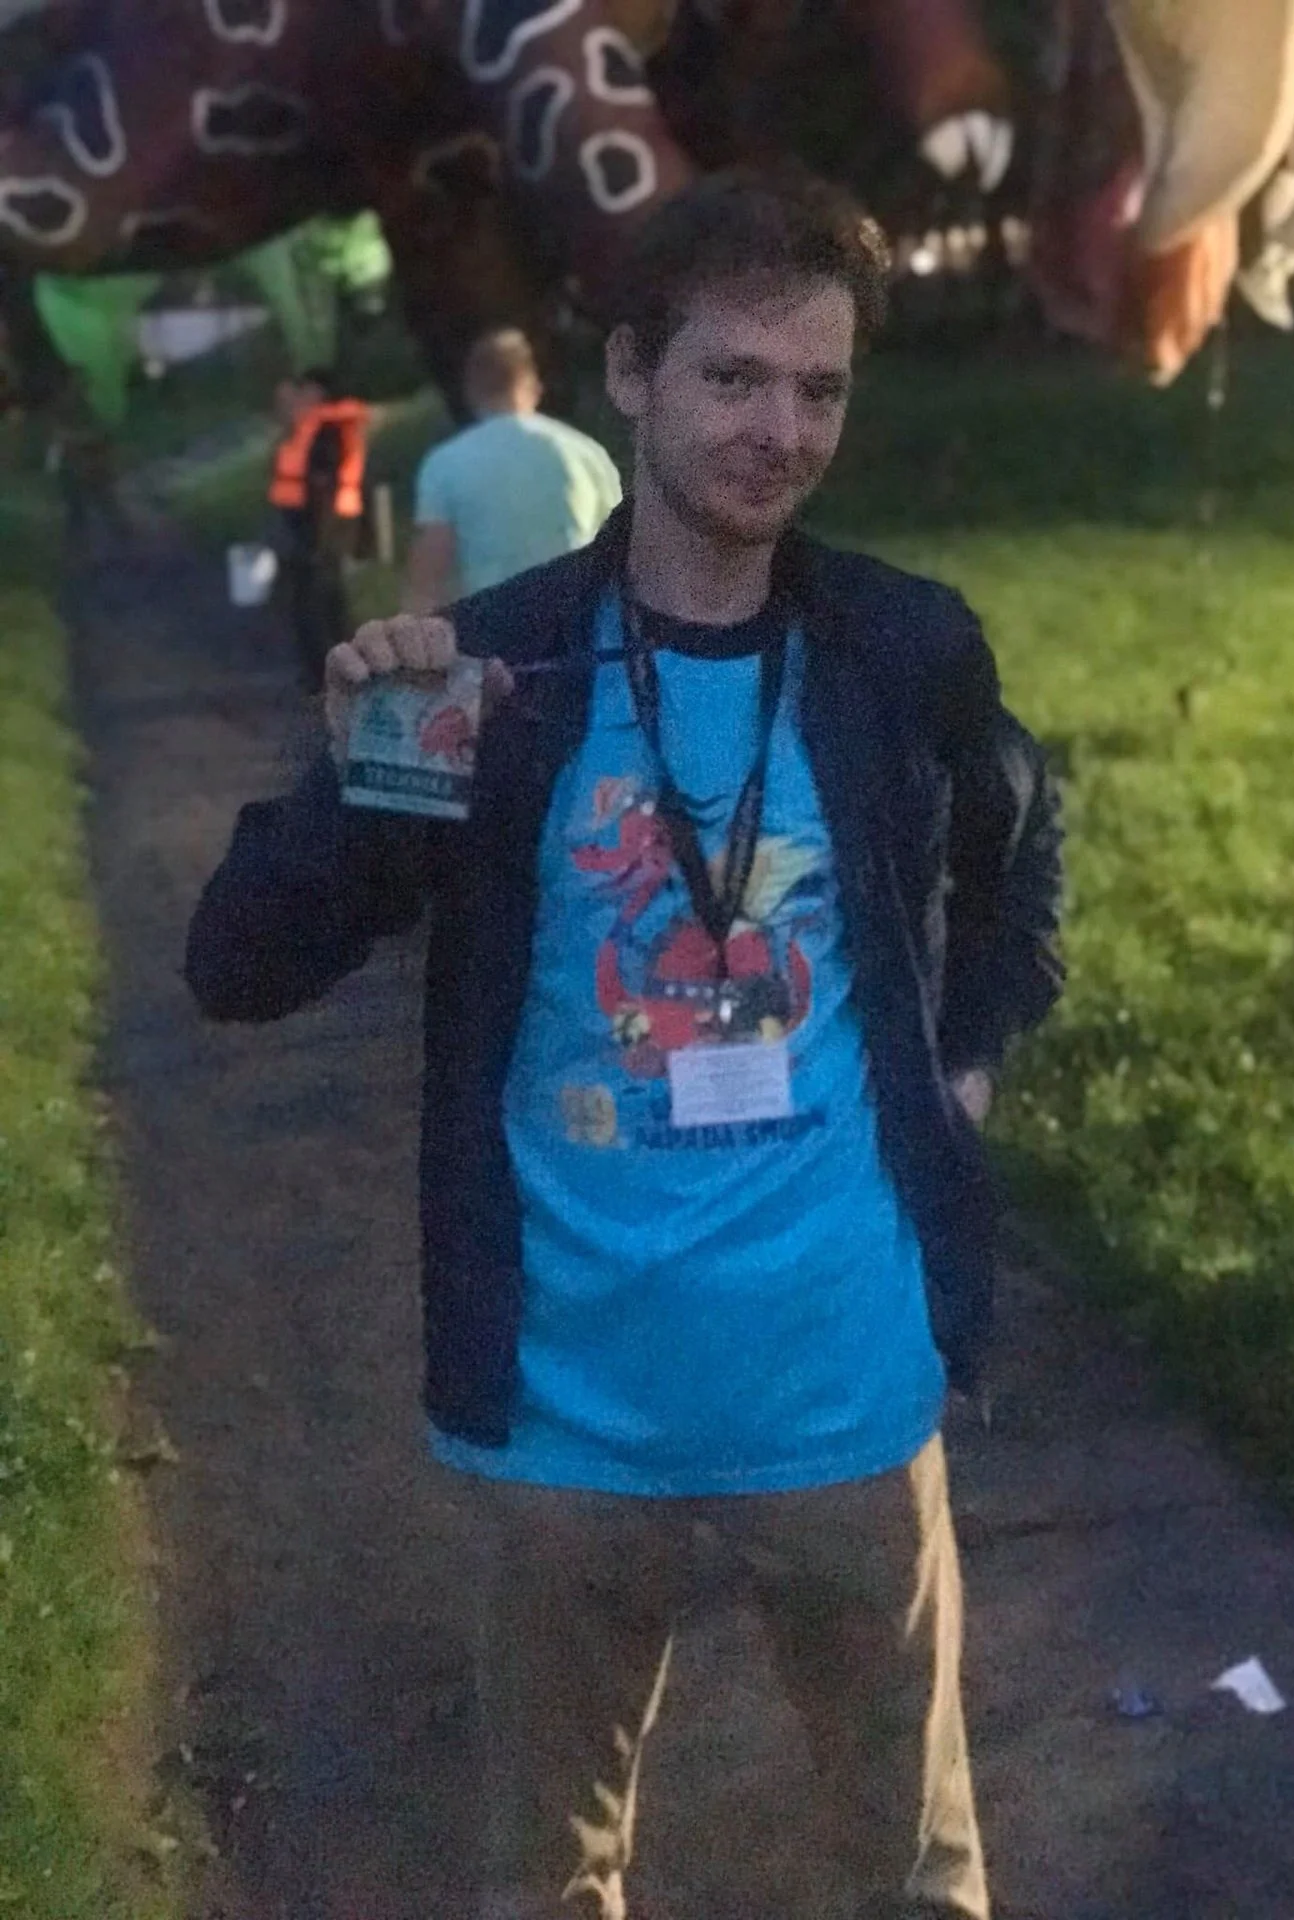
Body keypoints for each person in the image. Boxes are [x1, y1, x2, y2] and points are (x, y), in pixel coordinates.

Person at [186, 167, 1065, 1920]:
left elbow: (1020, 840)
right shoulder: (494, 674)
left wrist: (966, 1061)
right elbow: (243, 968)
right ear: (629, 379)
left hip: (848, 1395)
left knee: (908, 1874)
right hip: (572, 1423)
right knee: (555, 1888)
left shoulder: (901, 645)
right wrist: (375, 758)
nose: (781, 431)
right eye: (735, 378)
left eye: (820, 389)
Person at [402, 326, 622, 612]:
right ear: (534, 387)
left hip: (491, 639)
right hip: (577, 635)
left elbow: (429, 575)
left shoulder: (446, 464)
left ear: (472, 391)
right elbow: (622, 554)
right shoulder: (587, 453)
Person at [268, 368, 369, 693]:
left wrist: (317, 544)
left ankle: (330, 677)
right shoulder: (313, 428)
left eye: (306, 390)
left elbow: (324, 489)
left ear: (321, 394)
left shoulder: (326, 431)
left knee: (319, 605)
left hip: (322, 534)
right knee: (319, 602)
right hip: (316, 531)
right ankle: (326, 674)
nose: (300, 397)